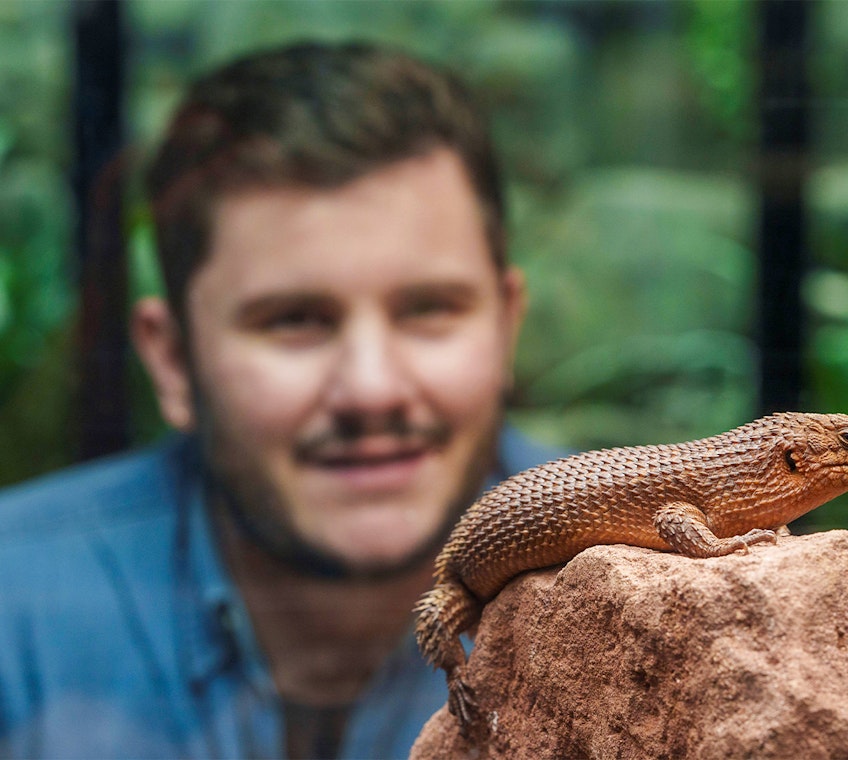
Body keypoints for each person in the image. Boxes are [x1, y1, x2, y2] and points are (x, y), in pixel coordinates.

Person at [0, 42, 559, 759]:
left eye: (429, 310)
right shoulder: (17, 607)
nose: (371, 389)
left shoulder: (638, 585)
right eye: (294, 320)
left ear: (507, 326)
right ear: (172, 360)